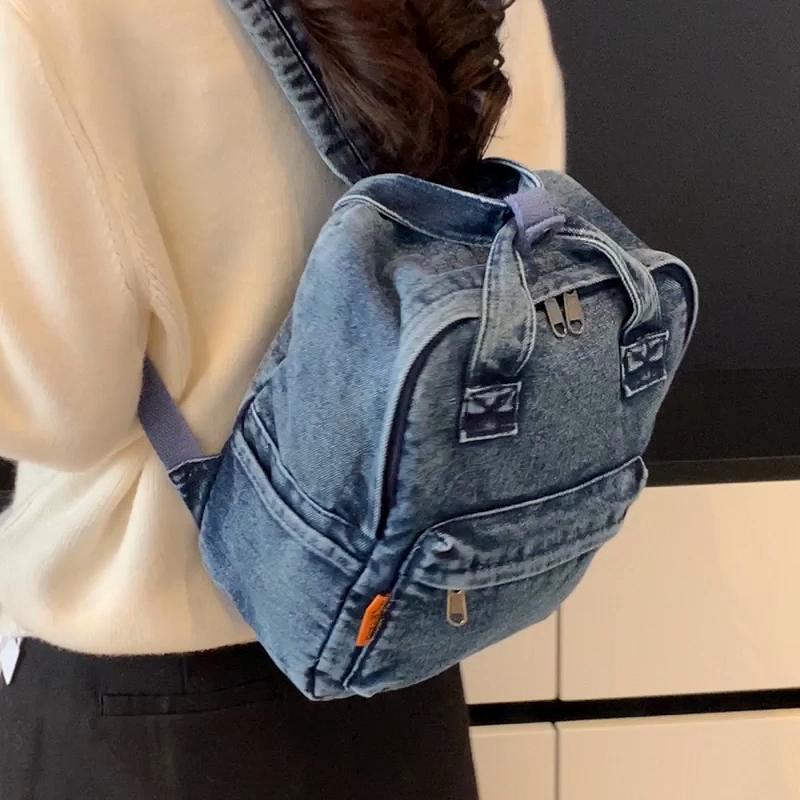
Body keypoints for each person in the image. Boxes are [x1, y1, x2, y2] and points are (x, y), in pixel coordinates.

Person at [0, 0, 565, 797]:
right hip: (396, 653)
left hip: (156, 704)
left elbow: (61, 413)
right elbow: (518, 276)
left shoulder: (47, 18)